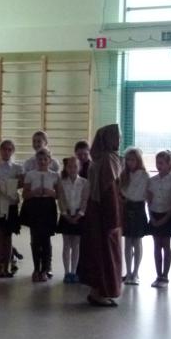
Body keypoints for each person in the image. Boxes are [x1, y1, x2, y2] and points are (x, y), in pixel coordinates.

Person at [77, 124, 123, 307]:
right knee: (105, 253)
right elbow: (109, 192)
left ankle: (96, 290)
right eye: (117, 137)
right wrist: (114, 220)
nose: (119, 140)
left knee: (97, 251)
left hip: (95, 211)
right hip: (105, 214)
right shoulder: (108, 160)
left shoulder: (99, 159)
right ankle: (100, 293)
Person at [20, 148, 59, 282]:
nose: (42, 162)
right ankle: (36, 268)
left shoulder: (54, 175)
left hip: (48, 207)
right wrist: (33, 192)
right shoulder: (30, 175)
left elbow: (59, 195)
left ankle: (45, 269)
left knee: (46, 240)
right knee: (35, 239)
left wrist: (50, 192)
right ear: (36, 160)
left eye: (45, 159)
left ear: (49, 161)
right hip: (34, 207)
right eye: (40, 159)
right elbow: (24, 194)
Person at [0, 139, 23, 277]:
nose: (6, 152)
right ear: (0, 150)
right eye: (4, 149)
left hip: (11, 204)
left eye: (9, 149)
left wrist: (2, 184)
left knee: (8, 236)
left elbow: (21, 183)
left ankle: (7, 265)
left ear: (12, 151)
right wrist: (9, 185)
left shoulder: (17, 167)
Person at [147, 150, 171, 288]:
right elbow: (149, 201)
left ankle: (165, 276)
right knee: (156, 246)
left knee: (166, 245)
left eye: (161, 163)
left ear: (170, 164)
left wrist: (165, 218)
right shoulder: (152, 180)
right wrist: (151, 216)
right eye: (157, 163)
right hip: (155, 214)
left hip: (168, 215)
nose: (158, 165)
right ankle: (158, 275)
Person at [56, 156, 88, 283]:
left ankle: (74, 272)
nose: (72, 169)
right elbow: (61, 200)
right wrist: (66, 215)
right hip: (66, 216)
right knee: (66, 245)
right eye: (69, 166)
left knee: (76, 245)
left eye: (75, 166)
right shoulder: (61, 182)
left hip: (79, 216)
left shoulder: (84, 182)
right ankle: (66, 272)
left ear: (79, 167)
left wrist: (79, 215)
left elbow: (85, 200)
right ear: (66, 168)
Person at [119, 147, 148, 285]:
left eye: (133, 159)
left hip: (139, 207)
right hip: (127, 206)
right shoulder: (124, 174)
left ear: (139, 160)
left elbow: (143, 193)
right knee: (128, 241)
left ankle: (136, 273)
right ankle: (128, 272)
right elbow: (121, 191)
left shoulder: (144, 175)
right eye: (128, 160)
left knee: (137, 241)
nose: (130, 162)